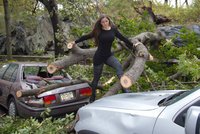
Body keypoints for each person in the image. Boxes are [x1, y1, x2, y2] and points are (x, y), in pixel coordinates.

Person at [68, 14, 133, 102]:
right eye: (103, 22)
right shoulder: (98, 31)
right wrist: (74, 42)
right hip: (98, 58)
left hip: (108, 56)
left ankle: (125, 89)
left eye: (106, 21)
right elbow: (86, 36)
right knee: (96, 79)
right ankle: (92, 97)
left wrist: (133, 45)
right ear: (100, 23)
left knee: (119, 67)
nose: (105, 23)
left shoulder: (113, 30)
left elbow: (123, 38)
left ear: (109, 21)